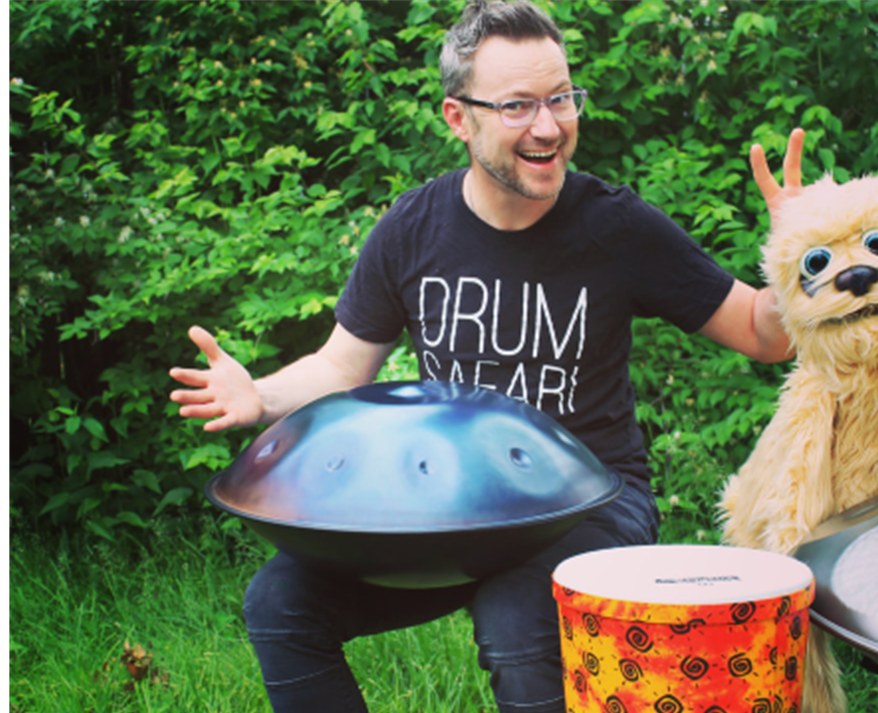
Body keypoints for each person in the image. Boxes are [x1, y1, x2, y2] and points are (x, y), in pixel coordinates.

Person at [169, 2, 803, 711]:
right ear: (456, 117)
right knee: (280, 600)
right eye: (517, 105)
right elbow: (342, 367)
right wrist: (259, 394)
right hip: (451, 512)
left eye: (561, 98)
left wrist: (799, 250)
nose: (548, 126)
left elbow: (763, 332)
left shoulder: (616, 227)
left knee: (515, 610)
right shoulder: (411, 229)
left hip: (589, 501)